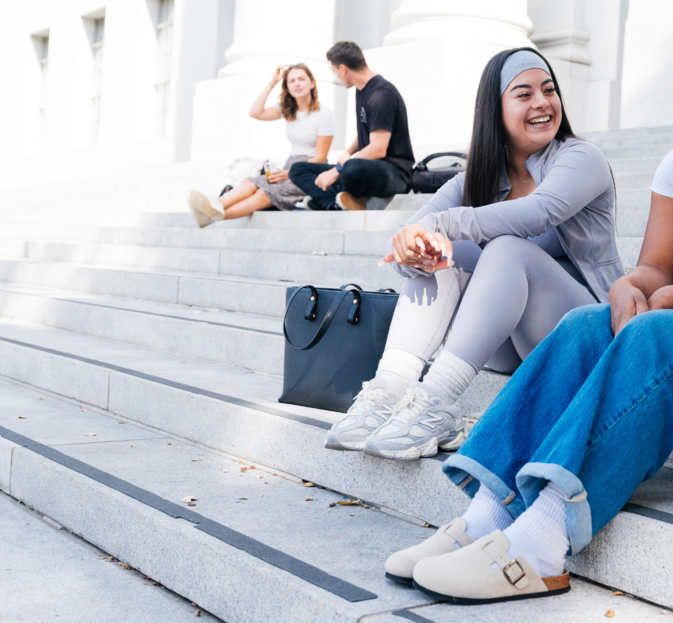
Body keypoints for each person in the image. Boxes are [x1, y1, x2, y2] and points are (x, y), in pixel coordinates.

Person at [381, 0, 673, 604]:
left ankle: (539, 548)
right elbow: (655, 268)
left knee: (662, 335)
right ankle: (485, 519)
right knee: (586, 323)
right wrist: (630, 288)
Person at [323, 47, 621, 465]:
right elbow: (411, 239)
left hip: (583, 331)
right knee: (441, 250)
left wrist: (439, 226)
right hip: (507, 344)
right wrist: (414, 246)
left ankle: (437, 399)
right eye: (524, 94)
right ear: (494, 109)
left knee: (504, 247)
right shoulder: (474, 179)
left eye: (548, 90)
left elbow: (536, 214)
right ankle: (389, 391)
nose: (542, 103)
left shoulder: (580, 158)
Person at [186, 63, 333, 227]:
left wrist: (289, 173)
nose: (297, 84)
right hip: (288, 167)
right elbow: (255, 112)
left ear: (312, 83)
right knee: (250, 182)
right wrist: (272, 83)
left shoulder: (324, 114)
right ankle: (213, 204)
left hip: (309, 173)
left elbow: (320, 157)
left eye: (301, 79)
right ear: (287, 87)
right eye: (291, 81)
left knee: (262, 194)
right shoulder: (288, 109)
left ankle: (211, 216)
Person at [290, 41, 414, 210]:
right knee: (298, 169)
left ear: (343, 68)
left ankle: (330, 197)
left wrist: (337, 170)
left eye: (335, 72)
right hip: (364, 168)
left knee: (351, 168)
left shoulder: (381, 94)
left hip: (394, 174)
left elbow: (378, 148)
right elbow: (368, 131)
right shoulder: (361, 90)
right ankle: (332, 203)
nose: (338, 77)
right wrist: (348, 152)